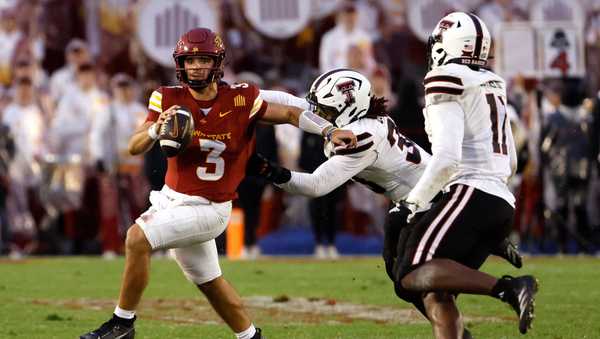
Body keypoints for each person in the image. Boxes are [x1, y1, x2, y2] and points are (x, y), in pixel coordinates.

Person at [79, 27, 356, 339]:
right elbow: (134, 145)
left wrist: (328, 131)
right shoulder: (167, 97)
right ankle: (251, 337)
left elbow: (291, 113)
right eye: (190, 60)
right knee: (209, 282)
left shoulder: (241, 98)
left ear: (218, 63)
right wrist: (157, 129)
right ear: (180, 63)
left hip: (210, 207)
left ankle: (122, 324)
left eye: (203, 59)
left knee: (136, 238)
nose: (196, 66)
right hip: (171, 199)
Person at [247, 67, 523, 338]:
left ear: (348, 110)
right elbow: (294, 104)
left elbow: (316, 185)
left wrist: (267, 170)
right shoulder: (356, 120)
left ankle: (503, 288)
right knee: (405, 280)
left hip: (430, 203)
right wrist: (240, 95)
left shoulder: (363, 136)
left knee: (410, 278)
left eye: (327, 113)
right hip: (417, 201)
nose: (319, 117)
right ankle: (459, 330)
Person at [396, 12, 537, 338]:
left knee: (411, 272)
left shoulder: (445, 77)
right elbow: (512, 160)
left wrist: (413, 202)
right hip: (501, 199)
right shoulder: (491, 82)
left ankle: (510, 288)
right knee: (437, 289)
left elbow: (447, 158)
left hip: (471, 192)